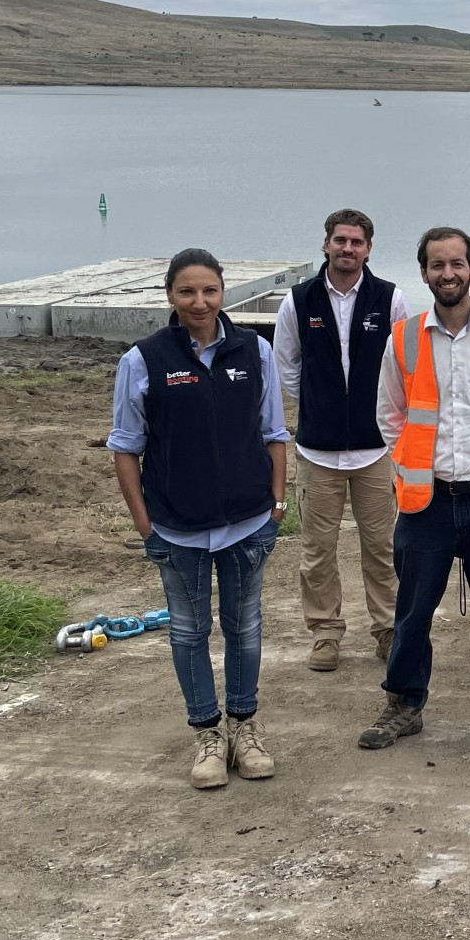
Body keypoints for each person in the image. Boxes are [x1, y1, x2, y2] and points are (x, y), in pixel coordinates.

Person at [357, 227, 470, 754]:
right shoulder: (406, 338)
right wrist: (413, 463)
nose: (448, 274)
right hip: (427, 500)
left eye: (456, 264)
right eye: (437, 265)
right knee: (412, 611)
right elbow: (389, 414)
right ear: (424, 273)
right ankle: (403, 705)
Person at [109, 250, 287, 790]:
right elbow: (125, 449)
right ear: (170, 296)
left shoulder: (255, 351)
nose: (199, 301)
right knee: (189, 632)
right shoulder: (143, 360)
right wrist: (147, 529)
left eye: (209, 291)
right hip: (177, 529)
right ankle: (208, 735)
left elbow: (274, 433)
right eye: (187, 292)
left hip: (246, 524)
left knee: (245, 628)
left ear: (223, 293)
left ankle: (244, 728)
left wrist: (276, 508)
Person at [273, 208, 410, 672]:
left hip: (376, 451)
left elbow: (404, 367)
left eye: (356, 242)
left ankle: (388, 630)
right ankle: (325, 633)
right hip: (317, 449)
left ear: (369, 248)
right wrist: (321, 403)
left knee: (382, 547)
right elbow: (285, 366)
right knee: (317, 551)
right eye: (340, 241)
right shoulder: (298, 301)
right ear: (326, 244)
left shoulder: (390, 300)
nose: (347, 249)